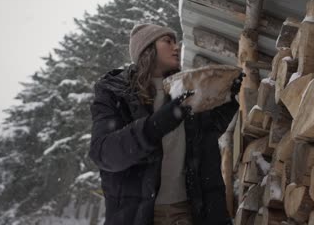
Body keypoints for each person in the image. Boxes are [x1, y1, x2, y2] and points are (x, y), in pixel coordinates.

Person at [89, 23, 242, 225]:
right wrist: (154, 126)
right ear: (147, 49)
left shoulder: (183, 89)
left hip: (189, 212)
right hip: (141, 216)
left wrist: (227, 100)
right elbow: (104, 153)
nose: (176, 47)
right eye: (167, 41)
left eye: (176, 41)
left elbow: (206, 135)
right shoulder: (115, 94)